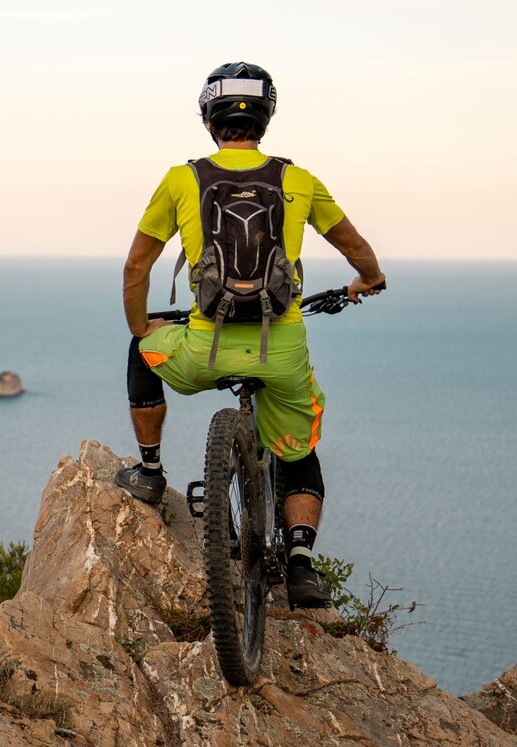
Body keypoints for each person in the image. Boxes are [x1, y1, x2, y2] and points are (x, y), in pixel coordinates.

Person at [115, 62, 385, 607]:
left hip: (202, 347)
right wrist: (368, 281)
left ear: (208, 117)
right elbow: (356, 249)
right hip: (280, 350)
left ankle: (148, 473)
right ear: (266, 117)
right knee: (299, 450)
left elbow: (136, 268)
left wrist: (143, 327)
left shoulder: (181, 179)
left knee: (140, 353)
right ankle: (303, 566)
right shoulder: (298, 179)